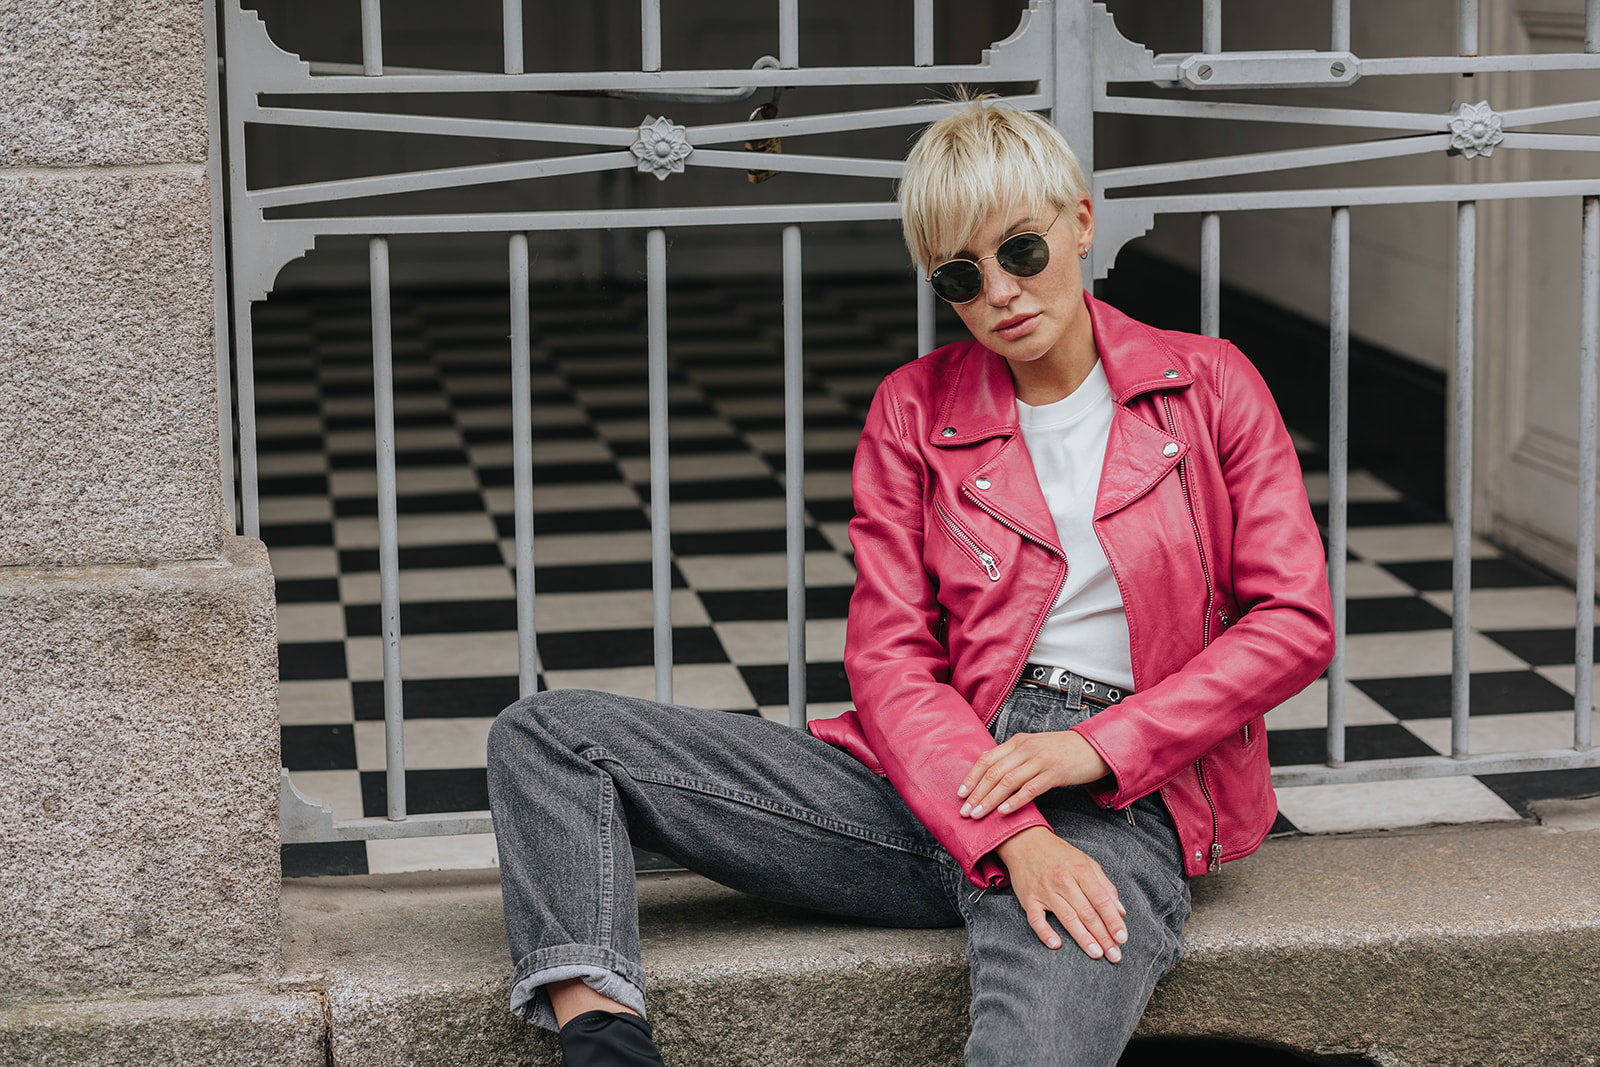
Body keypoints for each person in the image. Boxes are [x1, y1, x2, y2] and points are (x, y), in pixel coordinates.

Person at [487, 98, 1334, 1067]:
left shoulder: (1208, 382)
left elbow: (1292, 620)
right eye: (960, 276)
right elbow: (890, 657)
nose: (1001, 294)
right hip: (925, 779)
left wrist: (1090, 750)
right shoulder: (913, 407)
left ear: (1081, 221)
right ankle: (600, 1036)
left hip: (1112, 802)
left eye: (1021, 250)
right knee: (549, 738)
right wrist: (1009, 833)